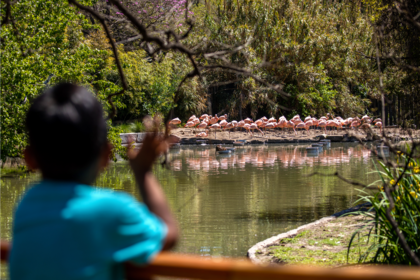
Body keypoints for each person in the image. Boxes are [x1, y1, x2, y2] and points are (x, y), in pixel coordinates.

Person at [9, 83, 178, 280]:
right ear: (106, 155)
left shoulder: (26, 204)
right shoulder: (112, 210)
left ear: (29, 159)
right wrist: (143, 172)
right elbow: (169, 234)